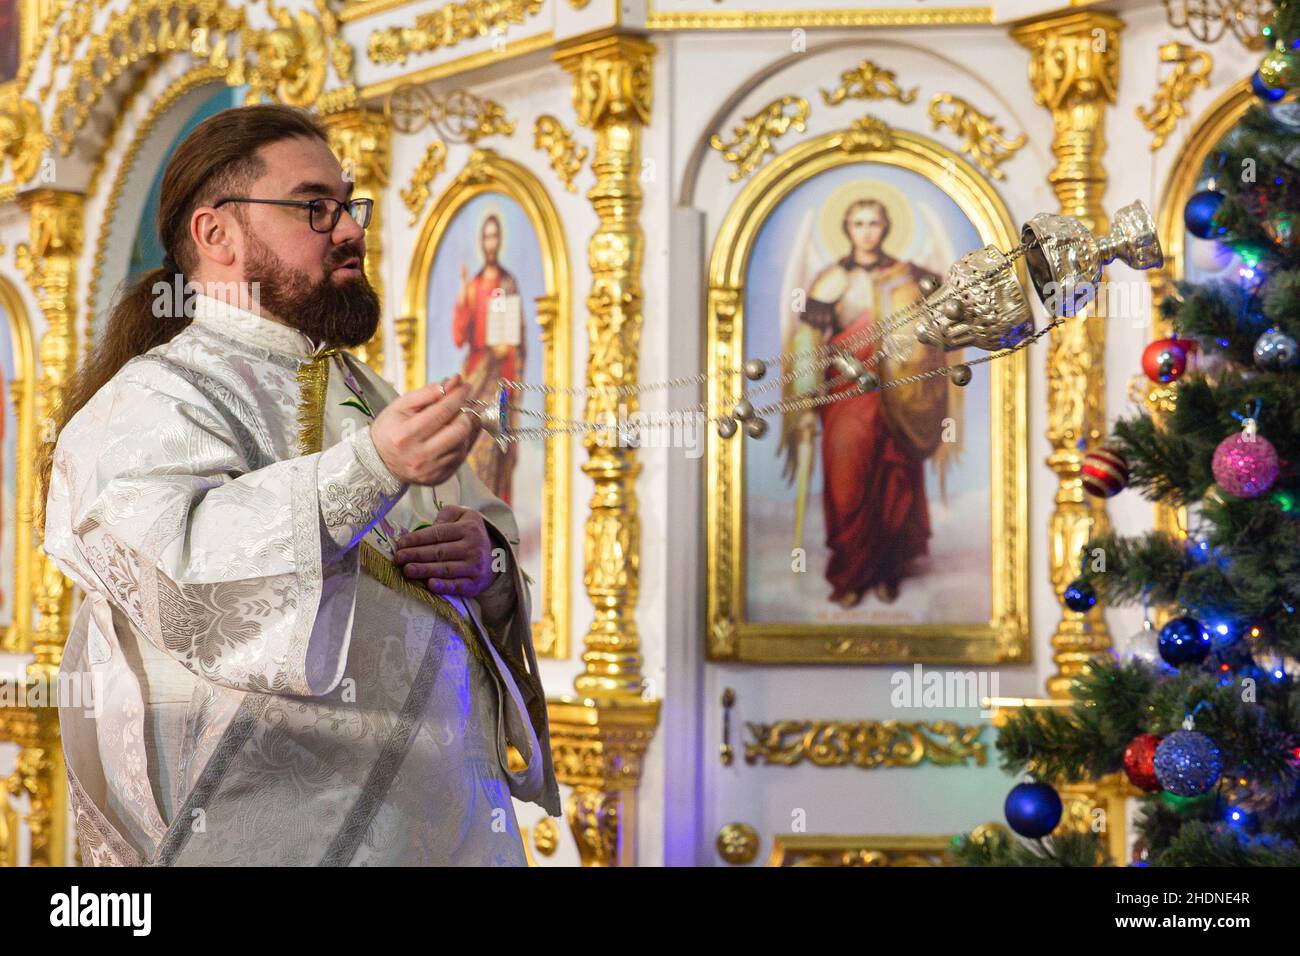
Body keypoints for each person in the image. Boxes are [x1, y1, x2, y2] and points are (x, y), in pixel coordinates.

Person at [39, 103, 560, 866]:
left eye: (348, 204)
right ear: (215, 234)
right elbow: (179, 587)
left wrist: (491, 567)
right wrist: (371, 470)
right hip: (272, 831)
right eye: (314, 207)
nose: (349, 228)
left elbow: (483, 561)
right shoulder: (151, 399)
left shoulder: (369, 392)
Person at [779, 198, 950, 608]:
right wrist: (803, 401)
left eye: (874, 222)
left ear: (887, 227)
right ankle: (851, 571)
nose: (867, 231)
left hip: (896, 397)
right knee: (847, 483)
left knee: (895, 479)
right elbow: (807, 343)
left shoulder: (909, 278)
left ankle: (888, 570)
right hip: (845, 395)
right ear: (847, 229)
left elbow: (934, 336)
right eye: (858, 223)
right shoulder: (828, 280)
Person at [452, 213, 525, 505]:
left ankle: (490, 521)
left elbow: (518, 342)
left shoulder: (508, 284)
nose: (491, 243)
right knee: (469, 451)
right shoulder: (475, 284)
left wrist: (509, 349)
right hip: (476, 378)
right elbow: (459, 336)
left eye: (495, 236)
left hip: (500, 380)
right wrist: (462, 297)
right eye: (487, 237)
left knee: (494, 450)